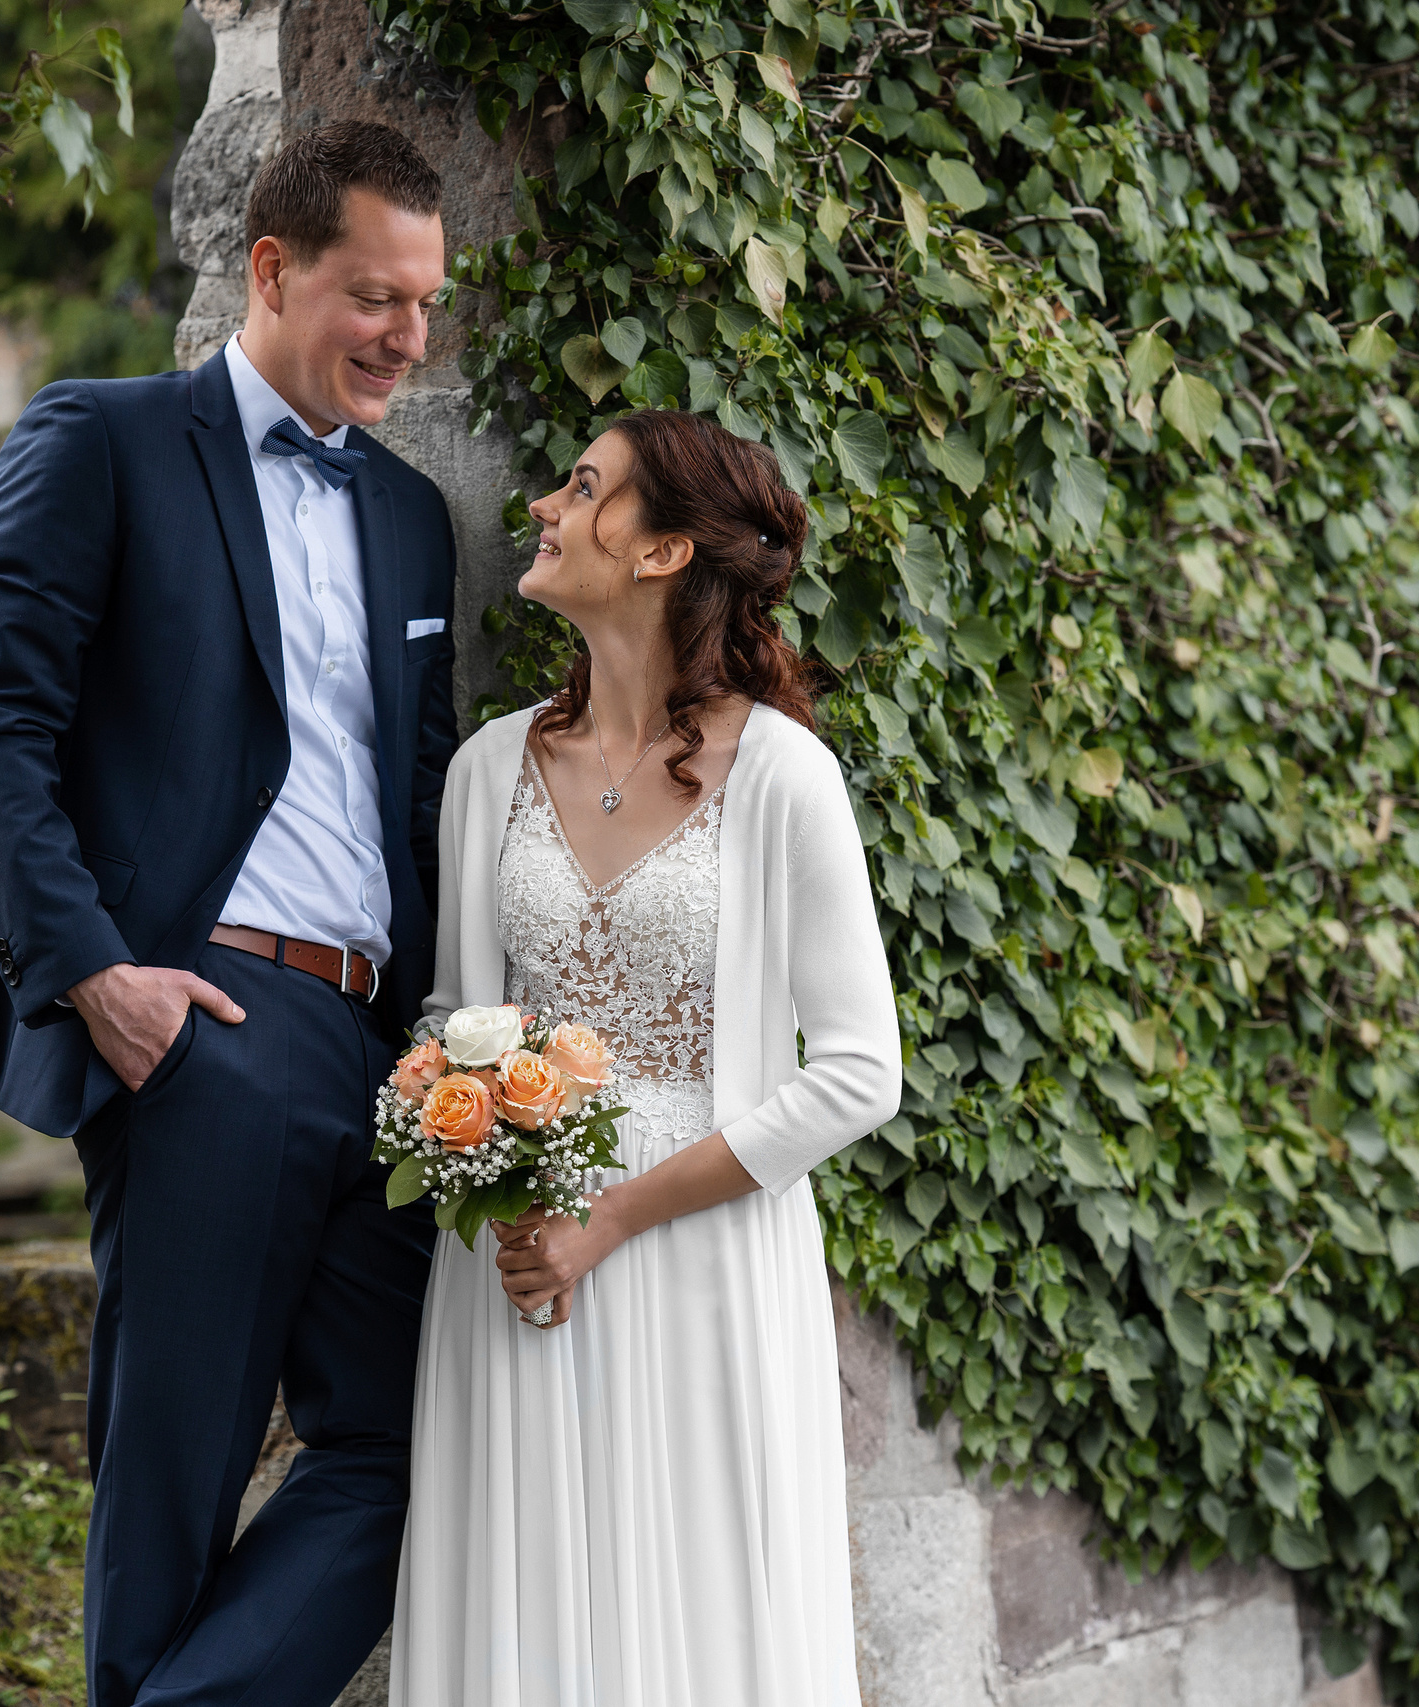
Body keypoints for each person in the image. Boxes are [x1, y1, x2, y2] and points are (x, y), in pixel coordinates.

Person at [0, 121, 459, 1707]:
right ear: (271, 269)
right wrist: (101, 979)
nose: (406, 337)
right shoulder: (101, 438)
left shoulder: (412, 514)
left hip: (374, 1052)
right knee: (168, 1490)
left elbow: (418, 784)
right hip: (203, 1023)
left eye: (425, 304)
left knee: (407, 1445)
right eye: (375, 297)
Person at [391, 410, 905, 1705]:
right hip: (521, 1254)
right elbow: (456, 1016)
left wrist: (607, 1220)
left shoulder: (785, 775)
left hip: (701, 1253)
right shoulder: (488, 768)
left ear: (667, 550)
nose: (546, 513)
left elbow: (857, 1072)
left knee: (706, 1602)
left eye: (584, 490)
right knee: (531, 1604)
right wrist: (473, 1150)